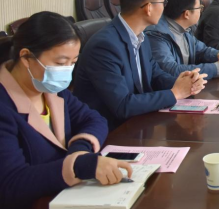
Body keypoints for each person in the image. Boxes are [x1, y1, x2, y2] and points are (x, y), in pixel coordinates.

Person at [0, 12, 132, 208]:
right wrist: (78, 166)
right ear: (26, 57)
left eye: (73, 62)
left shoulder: (52, 90)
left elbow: (94, 119)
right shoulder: (5, 106)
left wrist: (80, 150)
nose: (67, 71)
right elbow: (11, 184)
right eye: (60, 63)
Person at [73, 0, 208, 130]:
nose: (165, 8)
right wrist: (175, 93)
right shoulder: (104, 46)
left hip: (139, 125)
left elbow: (155, 75)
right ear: (149, 8)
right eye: (163, 3)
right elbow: (122, 105)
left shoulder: (141, 36)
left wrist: (184, 83)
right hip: (111, 133)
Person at [146, 0, 219, 79]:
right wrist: (217, 68)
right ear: (187, 14)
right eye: (199, 8)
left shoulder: (185, 29)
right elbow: (171, 70)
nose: (201, 11)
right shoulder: (157, 35)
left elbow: (202, 51)